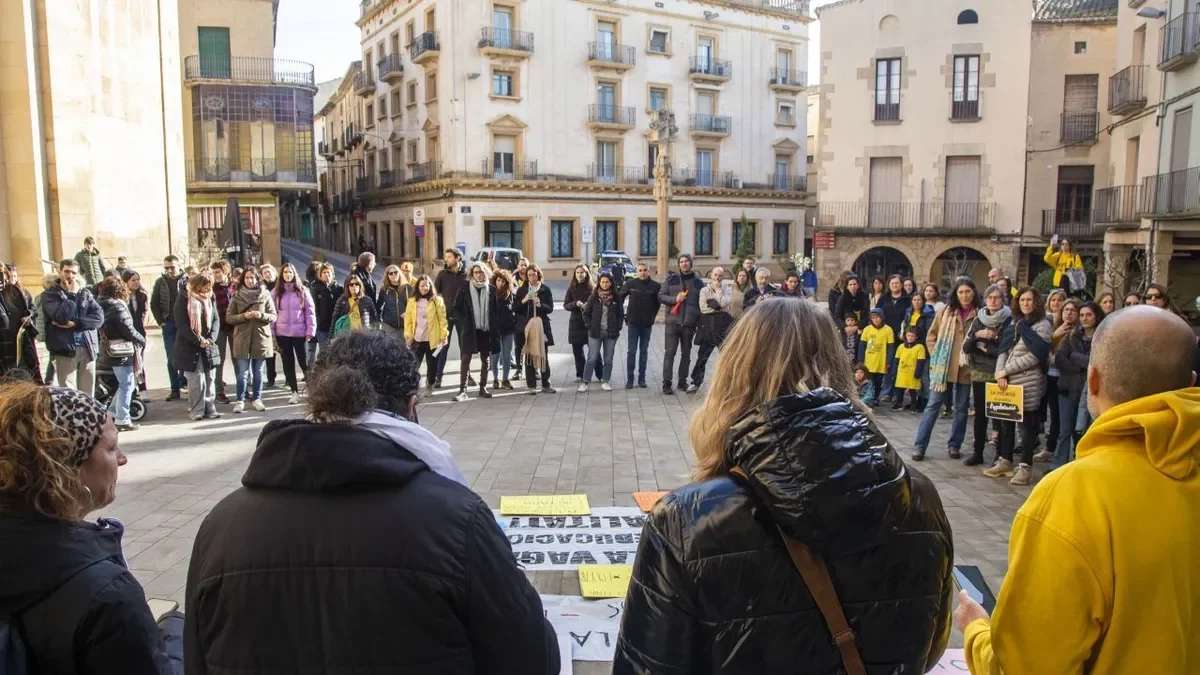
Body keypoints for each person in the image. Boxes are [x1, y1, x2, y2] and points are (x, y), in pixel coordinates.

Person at [184, 329, 561, 675]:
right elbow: (533, 660)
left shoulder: (221, 527)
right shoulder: (458, 522)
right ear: (411, 407)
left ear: (316, 404)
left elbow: (195, 661)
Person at [613, 298, 954, 674]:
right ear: (839, 367)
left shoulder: (686, 520)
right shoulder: (919, 496)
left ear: (733, 374)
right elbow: (930, 644)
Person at [956, 305, 1200, 675]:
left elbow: (1027, 666)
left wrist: (976, 630)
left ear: (1093, 381)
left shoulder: (1077, 494)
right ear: (1192, 383)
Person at [0, 383, 184, 674]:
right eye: (110, 448)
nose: (122, 458)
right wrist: (176, 639)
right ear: (64, 468)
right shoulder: (104, 594)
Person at [983, 287, 1052, 486]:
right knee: (1005, 423)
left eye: (1030, 300)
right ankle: (1005, 460)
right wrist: (999, 373)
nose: (1026, 304)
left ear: (1037, 302)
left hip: (1029, 382)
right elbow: (1004, 349)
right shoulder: (1015, 323)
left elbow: (1035, 355)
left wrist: (1007, 370)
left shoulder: (1042, 325)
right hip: (1008, 382)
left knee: (1027, 427)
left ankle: (1025, 467)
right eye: (1022, 300)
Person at [911, 277, 981, 461]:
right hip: (943, 367)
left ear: (973, 292)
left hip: (966, 369)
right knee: (932, 406)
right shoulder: (946, 312)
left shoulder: (980, 314)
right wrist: (936, 354)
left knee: (961, 409)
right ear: (955, 294)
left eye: (968, 291)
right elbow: (931, 336)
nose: (965, 295)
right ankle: (919, 446)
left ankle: (954, 445)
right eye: (961, 292)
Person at [961, 284, 1012, 466]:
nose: (993, 301)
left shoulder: (1008, 320)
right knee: (980, 415)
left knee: (999, 417)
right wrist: (977, 335)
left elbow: (1005, 350)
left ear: (1002, 300)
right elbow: (967, 347)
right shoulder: (979, 320)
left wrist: (986, 348)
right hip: (979, 373)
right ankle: (978, 453)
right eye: (990, 297)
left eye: (997, 297)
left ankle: (1000, 455)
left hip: (999, 373)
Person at [1053, 299, 1103, 468]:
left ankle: (1080, 465)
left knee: (1083, 430)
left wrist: (1075, 357)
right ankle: (1058, 466)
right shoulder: (1072, 334)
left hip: (1089, 391)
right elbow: (1060, 358)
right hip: (1067, 388)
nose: (1084, 318)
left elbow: (1097, 363)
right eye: (1081, 315)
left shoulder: (1102, 337)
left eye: (1088, 314)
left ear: (1096, 316)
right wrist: (1081, 366)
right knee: (1064, 431)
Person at [43, 259, 103, 397]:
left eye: (74, 272)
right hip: (65, 350)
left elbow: (99, 318)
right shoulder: (50, 295)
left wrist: (76, 323)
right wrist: (71, 295)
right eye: (67, 271)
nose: (70, 276)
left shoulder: (85, 293)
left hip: (87, 348)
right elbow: (61, 318)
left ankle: (86, 418)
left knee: (88, 395)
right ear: (59, 271)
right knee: (69, 395)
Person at [96, 276, 146, 431]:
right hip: (121, 351)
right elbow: (127, 329)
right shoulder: (117, 306)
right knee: (127, 384)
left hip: (109, 348)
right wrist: (141, 340)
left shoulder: (100, 304)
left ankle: (112, 412)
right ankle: (123, 419)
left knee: (125, 383)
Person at [226, 266, 277, 414]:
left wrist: (260, 315)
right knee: (242, 373)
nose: (250, 280)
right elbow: (229, 317)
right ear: (243, 279)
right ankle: (240, 400)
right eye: (247, 278)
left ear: (257, 279)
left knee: (258, 371)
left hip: (260, 337)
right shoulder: (237, 296)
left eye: (252, 277)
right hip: (242, 338)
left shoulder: (265, 295)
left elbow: (273, 316)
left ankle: (257, 398)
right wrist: (243, 317)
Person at [174, 272, 221, 421]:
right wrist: (197, 339)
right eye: (204, 286)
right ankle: (197, 409)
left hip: (208, 344)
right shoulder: (184, 298)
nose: (207, 289)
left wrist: (211, 338)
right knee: (196, 379)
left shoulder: (211, 297)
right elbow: (182, 324)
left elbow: (215, 319)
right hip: (190, 345)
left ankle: (210, 406)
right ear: (197, 285)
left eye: (209, 286)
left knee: (210, 377)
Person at [659, 253, 704, 395]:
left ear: (691, 263)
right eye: (681, 262)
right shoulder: (671, 279)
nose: (684, 264)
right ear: (679, 264)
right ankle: (666, 383)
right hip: (673, 321)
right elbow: (661, 296)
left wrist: (699, 321)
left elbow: (701, 303)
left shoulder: (698, 282)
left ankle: (682, 381)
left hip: (689, 324)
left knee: (686, 354)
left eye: (686, 261)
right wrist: (674, 299)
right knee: (670, 353)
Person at [272, 263, 316, 405]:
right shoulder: (276, 292)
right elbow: (272, 314)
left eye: (290, 272)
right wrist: (273, 334)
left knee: (304, 363)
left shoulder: (302, 291)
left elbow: (310, 312)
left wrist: (310, 331)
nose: (288, 275)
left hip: (299, 333)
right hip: (282, 334)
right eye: (285, 272)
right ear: (282, 275)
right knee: (288, 363)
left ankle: (312, 390)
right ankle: (294, 392)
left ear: (294, 274)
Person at [451, 261, 495, 402]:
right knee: (465, 359)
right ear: (472, 274)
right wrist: (464, 322)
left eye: (481, 272)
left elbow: (496, 310)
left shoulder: (491, 290)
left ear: (485, 273)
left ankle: (483, 388)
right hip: (470, 329)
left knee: (485, 359)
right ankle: (463, 390)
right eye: (476, 272)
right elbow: (456, 308)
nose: (479, 275)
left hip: (485, 330)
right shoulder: (464, 288)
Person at [1037, 289, 1071, 462]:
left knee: (1059, 414)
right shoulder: (1049, 323)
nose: (1056, 303)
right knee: (1049, 411)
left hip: (1064, 376)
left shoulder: (1072, 325)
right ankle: (1049, 446)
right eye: (1053, 300)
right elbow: (1043, 347)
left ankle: (1055, 448)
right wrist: (1054, 336)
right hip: (1048, 373)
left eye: (1060, 300)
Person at [689, 266, 733, 391]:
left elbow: (725, 303)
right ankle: (696, 382)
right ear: (711, 276)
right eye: (715, 275)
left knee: (727, 356)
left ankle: (728, 383)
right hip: (708, 327)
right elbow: (703, 308)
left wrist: (717, 292)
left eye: (720, 275)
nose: (717, 278)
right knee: (702, 356)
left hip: (722, 328)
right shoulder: (704, 290)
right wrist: (719, 307)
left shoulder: (726, 289)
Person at [580, 271, 624, 393]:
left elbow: (620, 314)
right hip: (595, 333)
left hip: (611, 333)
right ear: (599, 283)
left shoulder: (616, 297)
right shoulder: (593, 297)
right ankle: (585, 382)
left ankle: (605, 381)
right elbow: (586, 313)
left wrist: (618, 326)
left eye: (607, 282)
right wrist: (589, 326)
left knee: (608, 358)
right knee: (592, 358)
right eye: (602, 282)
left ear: (611, 283)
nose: (605, 284)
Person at [405, 275, 448, 396]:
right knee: (414, 364)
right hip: (417, 339)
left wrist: (444, 335)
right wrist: (408, 336)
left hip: (433, 339)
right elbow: (408, 319)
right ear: (418, 287)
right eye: (422, 285)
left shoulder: (437, 300)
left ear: (430, 286)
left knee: (432, 364)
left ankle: (430, 385)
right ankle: (412, 387)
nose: (425, 287)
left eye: (427, 285)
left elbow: (442, 319)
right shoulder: (412, 301)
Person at [516, 264, 556, 394]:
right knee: (529, 355)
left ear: (538, 274)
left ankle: (546, 383)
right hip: (526, 326)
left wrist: (540, 305)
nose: (532, 278)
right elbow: (514, 308)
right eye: (529, 275)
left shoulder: (545, 289)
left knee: (543, 354)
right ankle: (531, 385)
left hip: (541, 326)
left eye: (534, 274)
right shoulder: (522, 290)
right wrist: (524, 300)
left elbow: (550, 308)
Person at [150, 255, 185, 401]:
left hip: (184, 324)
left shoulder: (187, 279)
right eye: (166, 268)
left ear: (178, 265)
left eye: (172, 267)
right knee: (171, 357)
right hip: (169, 324)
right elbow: (154, 303)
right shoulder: (160, 282)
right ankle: (174, 388)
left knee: (185, 356)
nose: (169, 270)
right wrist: (161, 321)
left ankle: (184, 381)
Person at [620, 262, 660, 389]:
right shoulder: (631, 284)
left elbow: (657, 304)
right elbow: (620, 297)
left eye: (645, 270)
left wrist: (652, 317)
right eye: (640, 270)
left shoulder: (655, 286)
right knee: (631, 351)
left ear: (649, 271)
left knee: (644, 351)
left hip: (647, 324)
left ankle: (642, 379)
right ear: (637, 272)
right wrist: (623, 315)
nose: (642, 272)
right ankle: (630, 379)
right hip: (633, 323)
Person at [434, 249, 469, 387]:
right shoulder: (442, 274)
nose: (446, 259)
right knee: (443, 347)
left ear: (457, 258)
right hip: (446, 316)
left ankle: (467, 376)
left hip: (462, 316)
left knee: (464, 347)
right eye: (446, 257)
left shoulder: (466, 275)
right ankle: (438, 377)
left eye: (449, 257)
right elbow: (435, 294)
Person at [0, 263, 40, 382]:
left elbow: (28, 310)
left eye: (2, 274)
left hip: (17, 350)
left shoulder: (15, 293)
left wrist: (28, 317)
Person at [876, 274, 910, 401]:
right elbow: (876, 315)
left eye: (897, 283)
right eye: (892, 283)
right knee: (886, 365)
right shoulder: (883, 299)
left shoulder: (907, 300)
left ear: (901, 284)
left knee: (898, 365)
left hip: (900, 337)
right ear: (889, 285)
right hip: (884, 336)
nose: (895, 285)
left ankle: (897, 392)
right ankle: (885, 391)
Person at [564, 264, 600, 384]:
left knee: (594, 351)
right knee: (578, 352)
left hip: (589, 323)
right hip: (575, 323)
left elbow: (597, 305)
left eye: (582, 272)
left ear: (586, 274)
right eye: (577, 272)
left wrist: (587, 306)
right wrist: (576, 304)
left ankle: (600, 375)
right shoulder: (571, 288)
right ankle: (581, 374)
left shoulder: (592, 288)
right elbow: (566, 305)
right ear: (575, 274)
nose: (580, 274)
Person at [208, 261, 234, 404]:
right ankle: (219, 392)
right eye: (213, 272)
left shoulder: (234, 287)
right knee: (219, 360)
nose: (215, 275)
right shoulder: (211, 288)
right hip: (219, 329)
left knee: (239, 359)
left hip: (235, 327)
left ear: (226, 272)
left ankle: (243, 390)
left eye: (218, 272)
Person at [489, 269, 518, 390]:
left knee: (507, 355)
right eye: (498, 280)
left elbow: (516, 308)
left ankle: (505, 379)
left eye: (503, 281)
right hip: (494, 329)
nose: (500, 283)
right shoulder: (490, 293)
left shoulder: (511, 294)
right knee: (495, 355)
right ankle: (495, 379)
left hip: (508, 328)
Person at [308, 263, 341, 365]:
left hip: (336, 326)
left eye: (328, 272)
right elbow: (313, 308)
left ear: (332, 274)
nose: (327, 274)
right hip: (322, 326)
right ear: (320, 275)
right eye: (324, 272)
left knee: (336, 351)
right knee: (324, 352)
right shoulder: (316, 288)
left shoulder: (338, 288)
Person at [859, 308, 893, 407]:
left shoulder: (888, 330)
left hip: (880, 361)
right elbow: (862, 345)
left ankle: (876, 397)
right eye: (873, 318)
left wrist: (889, 361)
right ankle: (868, 397)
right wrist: (861, 359)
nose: (876, 320)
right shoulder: (867, 329)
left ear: (882, 318)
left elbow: (891, 347)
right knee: (869, 381)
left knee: (878, 381)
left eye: (878, 317)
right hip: (868, 361)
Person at [122, 270, 149, 391]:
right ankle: (133, 389)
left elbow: (144, 315)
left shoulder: (142, 295)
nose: (136, 282)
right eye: (133, 280)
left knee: (140, 360)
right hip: (126, 333)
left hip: (139, 332)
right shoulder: (122, 297)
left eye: (138, 279)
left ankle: (143, 388)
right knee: (129, 362)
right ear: (126, 282)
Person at [892, 327, 927, 411]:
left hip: (913, 372)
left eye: (912, 336)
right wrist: (894, 371)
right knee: (899, 388)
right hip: (902, 372)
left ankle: (913, 404)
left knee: (913, 390)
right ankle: (899, 403)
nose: (910, 338)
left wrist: (918, 372)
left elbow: (921, 361)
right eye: (908, 335)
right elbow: (896, 359)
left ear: (916, 337)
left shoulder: (920, 347)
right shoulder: (901, 347)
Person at [259, 264, 280, 389]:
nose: (268, 274)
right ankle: (271, 378)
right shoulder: (262, 289)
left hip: (282, 324)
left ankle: (289, 379)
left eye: (269, 271)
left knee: (284, 353)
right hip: (268, 325)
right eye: (265, 273)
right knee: (269, 354)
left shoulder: (280, 285)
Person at [376, 264, 409, 336]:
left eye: (395, 272)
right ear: (387, 276)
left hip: (405, 326)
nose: (393, 275)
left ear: (399, 273)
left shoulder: (407, 288)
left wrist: (408, 313)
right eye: (390, 273)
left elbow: (414, 305)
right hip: (388, 326)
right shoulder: (384, 289)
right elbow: (379, 306)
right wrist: (378, 321)